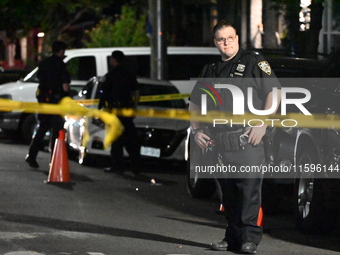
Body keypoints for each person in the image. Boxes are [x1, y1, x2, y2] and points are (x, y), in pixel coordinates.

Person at [189, 21, 281, 254]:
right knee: (227, 193)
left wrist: (263, 122)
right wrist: (198, 130)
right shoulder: (210, 68)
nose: (226, 43)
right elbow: (196, 103)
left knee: (249, 191)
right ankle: (232, 237)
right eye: (221, 39)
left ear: (237, 38)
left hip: (247, 138)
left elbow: (274, 92)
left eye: (230, 38)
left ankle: (249, 239)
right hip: (219, 142)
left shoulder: (253, 62)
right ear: (215, 42)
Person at [25, 40, 70, 169]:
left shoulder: (44, 63)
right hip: (56, 103)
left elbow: (40, 79)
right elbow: (65, 87)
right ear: (61, 51)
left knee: (42, 129)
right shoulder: (61, 65)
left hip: (44, 101)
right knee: (57, 132)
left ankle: (31, 156)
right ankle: (54, 161)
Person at [98, 50, 141, 175]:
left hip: (114, 110)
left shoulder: (110, 75)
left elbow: (104, 94)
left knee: (116, 139)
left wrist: (101, 109)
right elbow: (137, 93)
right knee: (131, 139)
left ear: (113, 60)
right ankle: (136, 166)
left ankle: (118, 166)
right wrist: (134, 107)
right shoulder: (130, 74)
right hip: (127, 110)